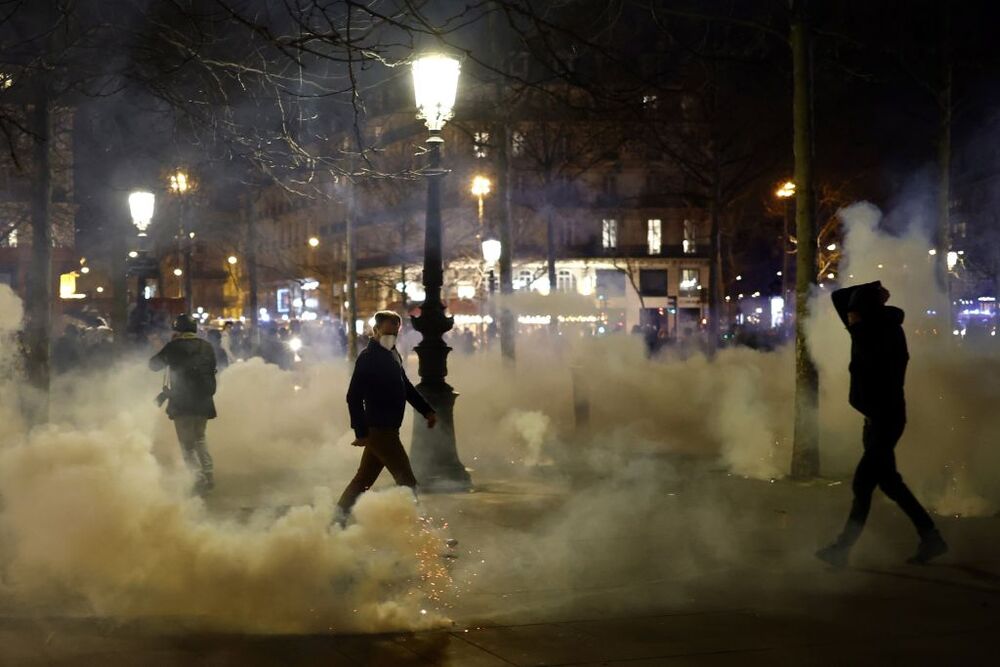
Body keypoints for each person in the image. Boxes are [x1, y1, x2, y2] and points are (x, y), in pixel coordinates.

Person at [817, 281, 947, 567]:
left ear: (866, 313)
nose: (848, 317)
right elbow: (840, 298)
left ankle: (842, 549)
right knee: (889, 483)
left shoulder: (877, 335)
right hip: (877, 418)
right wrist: (872, 290)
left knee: (863, 484)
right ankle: (931, 538)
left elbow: (845, 306)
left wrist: (870, 299)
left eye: (854, 312)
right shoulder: (868, 329)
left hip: (885, 419)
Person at [337, 311, 436, 518]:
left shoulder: (392, 354)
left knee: (362, 480)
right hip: (380, 430)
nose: (391, 337)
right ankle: (426, 537)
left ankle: (337, 519)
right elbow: (353, 396)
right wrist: (361, 432)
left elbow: (405, 387)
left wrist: (426, 410)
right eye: (387, 332)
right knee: (407, 482)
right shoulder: (368, 357)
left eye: (395, 333)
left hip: (388, 428)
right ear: (375, 330)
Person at [149, 314, 219, 495]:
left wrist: (168, 347)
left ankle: (198, 478)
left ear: (178, 330)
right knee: (200, 438)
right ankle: (208, 473)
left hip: (182, 402)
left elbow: (153, 365)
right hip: (204, 401)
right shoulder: (207, 347)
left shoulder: (174, 347)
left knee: (187, 445)